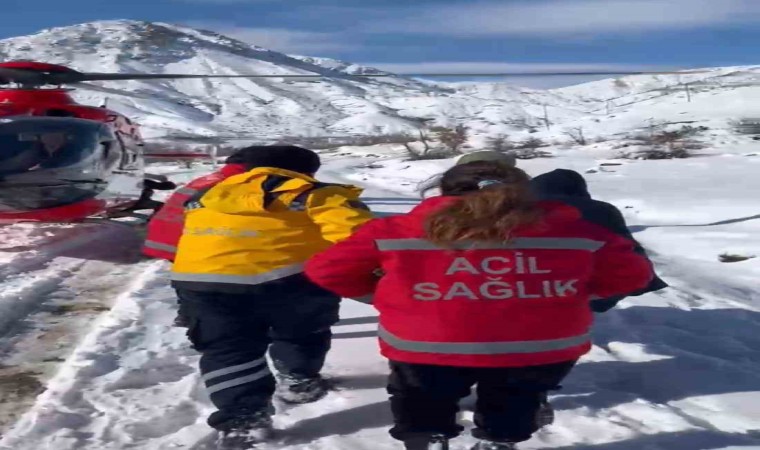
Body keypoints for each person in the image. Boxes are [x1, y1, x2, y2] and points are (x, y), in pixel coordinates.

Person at [305, 162, 653, 450]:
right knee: (518, 398)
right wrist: (565, 293)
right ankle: (499, 441)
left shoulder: (396, 229)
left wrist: (387, 297)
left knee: (421, 398)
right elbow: (634, 275)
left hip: (427, 345)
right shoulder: (579, 229)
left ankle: (427, 439)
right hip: (541, 346)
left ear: (445, 191)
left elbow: (326, 270)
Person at [170, 145, 373, 448]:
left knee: (228, 349)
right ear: (306, 171)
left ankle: (243, 418)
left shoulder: (207, 195)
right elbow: (361, 239)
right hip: (286, 278)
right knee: (302, 331)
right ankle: (299, 380)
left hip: (200, 281)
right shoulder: (316, 194)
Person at [530, 169, 668, 312]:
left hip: (520, 288)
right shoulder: (602, 210)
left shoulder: (516, 211)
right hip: (588, 290)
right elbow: (630, 250)